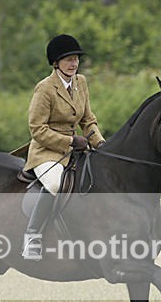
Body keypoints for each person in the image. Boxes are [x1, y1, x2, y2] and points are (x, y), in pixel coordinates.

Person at [21, 34, 106, 260]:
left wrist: (100, 144)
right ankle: (32, 236)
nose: (73, 63)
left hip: (76, 150)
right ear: (56, 63)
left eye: (76, 59)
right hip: (46, 152)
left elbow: (87, 120)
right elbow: (37, 129)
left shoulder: (81, 82)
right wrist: (69, 141)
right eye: (68, 59)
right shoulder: (45, 88)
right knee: (56, 183)